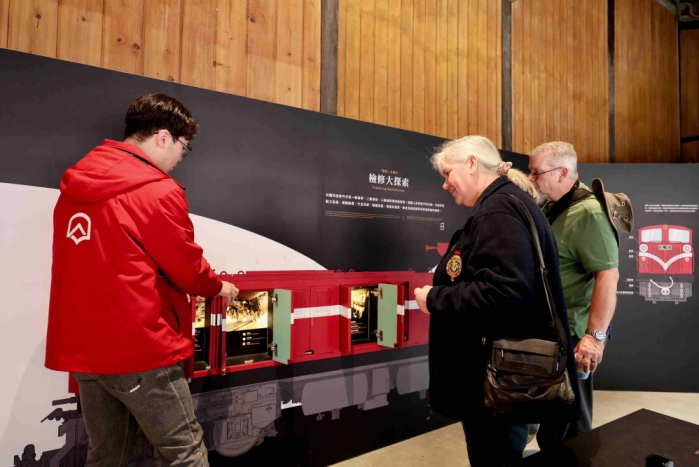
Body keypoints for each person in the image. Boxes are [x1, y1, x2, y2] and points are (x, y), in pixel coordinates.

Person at [45, 93, 239, 466]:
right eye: (184, 147)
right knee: (184, 453)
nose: (181, 156)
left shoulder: (74, 188)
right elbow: (186, 267)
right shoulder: (157, 191)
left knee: (107, 455)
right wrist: (218, 286)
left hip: (85, 350)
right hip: (139, 348)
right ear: (163, 137)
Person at [414, 135, 580, 467]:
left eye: (448, 173)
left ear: (472, 163)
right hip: (504, 374)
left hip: (496, 381)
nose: (445, 184)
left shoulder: (497, 211)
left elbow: (506, 292)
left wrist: (435, 298)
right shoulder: (507, 203)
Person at [528, 141, 619, 444]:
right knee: (552, 427)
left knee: (571, 432)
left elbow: (607, 276)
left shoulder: (589, 213)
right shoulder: (551, 207)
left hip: (573, 339)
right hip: (549, 335)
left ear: (562, 172)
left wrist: (594, 338)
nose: (531, 178)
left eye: (537, 173)